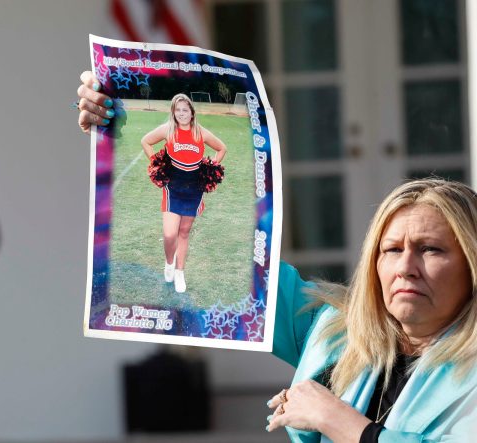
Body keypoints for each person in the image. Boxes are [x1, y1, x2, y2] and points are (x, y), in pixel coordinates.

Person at [77, 73, 477, 441]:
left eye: (431, 249)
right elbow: (238, 257)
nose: (406, 267)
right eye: (391, 250)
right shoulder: (334, 331)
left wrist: (335, 418)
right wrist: (116, 119)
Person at [140, 93, 226, 293]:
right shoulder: (168, 130)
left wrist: (211, 168)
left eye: (185, 110)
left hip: (194, 188)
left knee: (184, 233)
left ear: (192, 112)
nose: (181, 114)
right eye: (177, 110)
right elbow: (146, 141)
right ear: (173, 112)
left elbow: (222, 148)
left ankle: (179, 272)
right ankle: (169, 262)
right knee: (170, 234)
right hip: (173, 187)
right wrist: (156, 163)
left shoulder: (200, 133)